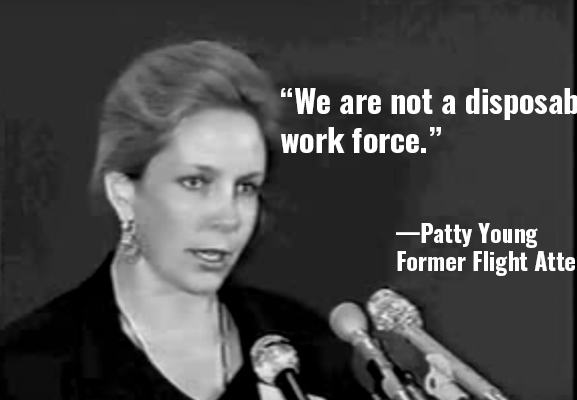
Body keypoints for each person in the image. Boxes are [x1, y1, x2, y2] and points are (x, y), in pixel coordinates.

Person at [0, 40, 371, 400]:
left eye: (245, 187)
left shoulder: (306, 345)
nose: (228, 218)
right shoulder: (28, 369)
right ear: (124, 194)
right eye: (195, 182)